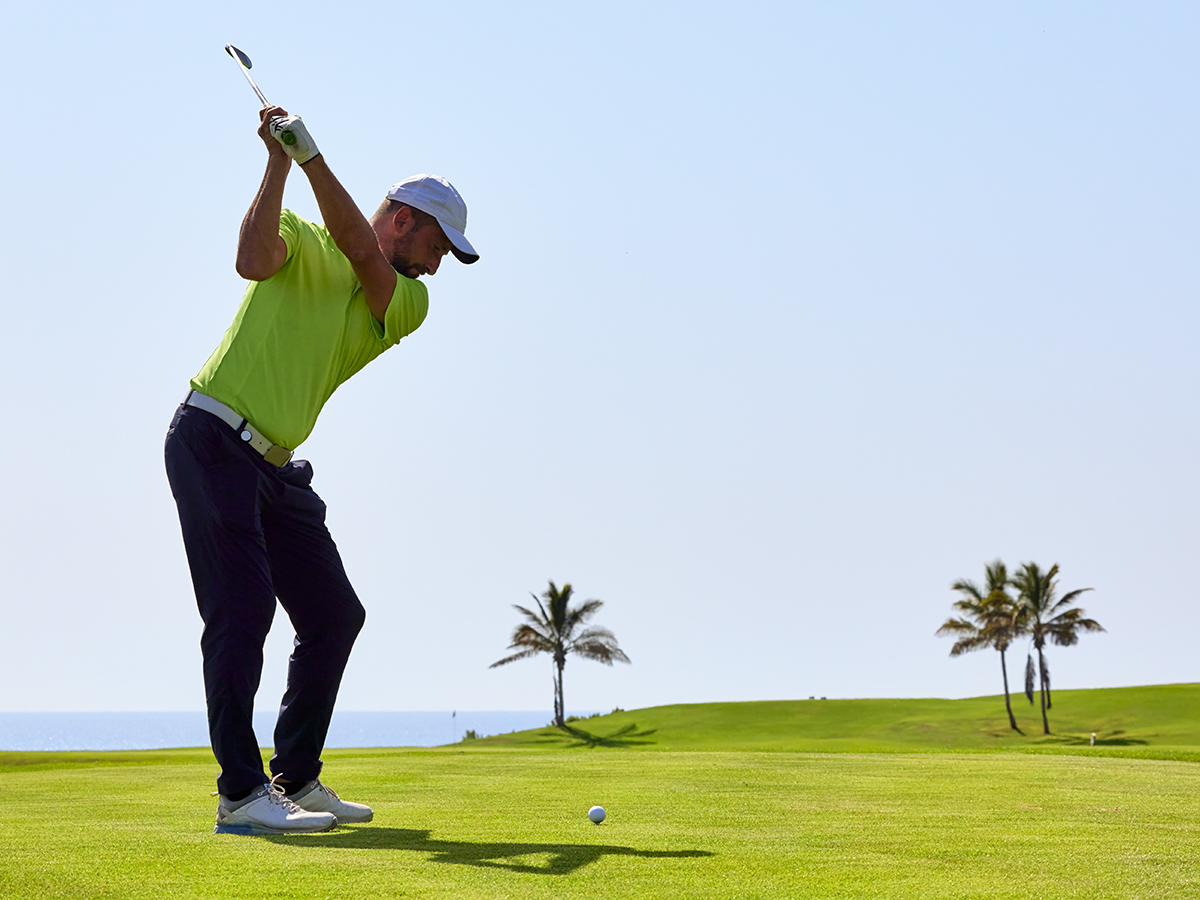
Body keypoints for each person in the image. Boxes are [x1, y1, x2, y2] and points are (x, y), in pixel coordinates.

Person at [164, 106, 478, 835]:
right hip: (212, 438)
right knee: (242, 611)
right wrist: (279, 161)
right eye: (437, 244)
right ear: (403, 219)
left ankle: (295, 780)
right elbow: (250, 260)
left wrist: (311, 157)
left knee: (335, 615)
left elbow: (362, 258)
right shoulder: (302, 241)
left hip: (273, 467)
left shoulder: (406, 301)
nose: (437, 265)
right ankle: (241, 795)